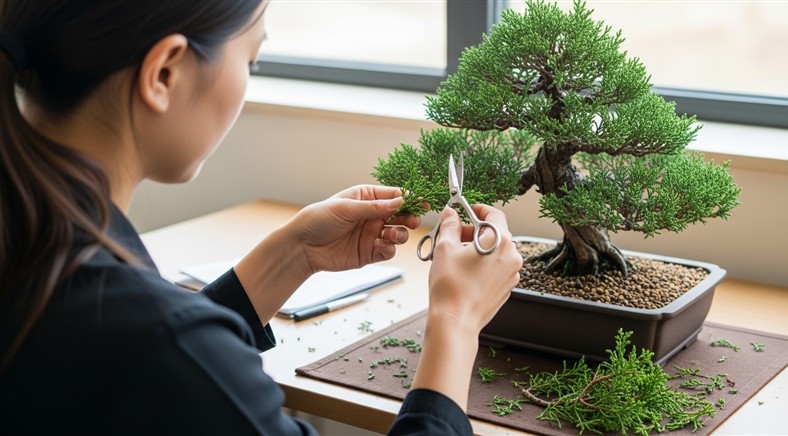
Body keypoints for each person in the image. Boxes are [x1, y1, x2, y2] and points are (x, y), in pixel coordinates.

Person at [0, 1, 523, 434]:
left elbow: (143, 359)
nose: (247, 80)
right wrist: (455, 323)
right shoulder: (163, 348)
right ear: (164, 73)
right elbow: (169, 356)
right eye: (250, 61)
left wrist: (292, 255)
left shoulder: (33, 251)